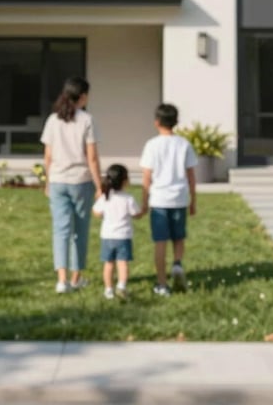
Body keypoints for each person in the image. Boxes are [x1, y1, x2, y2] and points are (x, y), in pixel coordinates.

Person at [41, 76, 102, 294]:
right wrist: (100, 186)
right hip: (80, 181)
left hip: (57, 180)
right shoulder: (87, 120)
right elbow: (92, 158)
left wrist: (48, 181)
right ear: (83, 96)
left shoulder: (52, 120)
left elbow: (47, 155)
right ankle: (76, 279)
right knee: (80, 231)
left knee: (61, 230)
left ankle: (61, 280)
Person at [140, 103, 197, 296]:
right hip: (179, 198)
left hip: (159, 200)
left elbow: (147, 176)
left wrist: (144, 201)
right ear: (176, 123)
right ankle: (177, 264)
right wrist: (193, 200)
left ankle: (162, 284)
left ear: (157, 122)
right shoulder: (184, 144)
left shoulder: (151, 145)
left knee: (160, 241)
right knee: (179, 237)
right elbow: (191, 175)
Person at [92, 164, 142, 300]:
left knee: (108, 264)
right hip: (123, 236)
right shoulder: (128, 198)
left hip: (107, 236)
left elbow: (96, 212)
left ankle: (108, 289)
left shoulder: (105, 197)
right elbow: (136, 214)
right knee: (122, 263)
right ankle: (121, 286)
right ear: (125, 181)